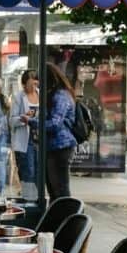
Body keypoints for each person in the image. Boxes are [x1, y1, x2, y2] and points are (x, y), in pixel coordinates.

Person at [30, 63, 76, 200]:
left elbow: (55, 124)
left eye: (40, 82)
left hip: (60, 147)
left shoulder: (60, 96)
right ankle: (58, 217)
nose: (38, 86)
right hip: (53, 147)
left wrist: (32, 122)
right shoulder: (55, 94)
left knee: (60, 189)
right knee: (54, 190)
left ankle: (67, 218)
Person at [11, 69, 41, 202]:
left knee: (39, 172)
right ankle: (29, 201)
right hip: (25, 140)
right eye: (31, 83)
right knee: (28, 172)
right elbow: (11, 120)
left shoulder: (42, 95)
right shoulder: (18, 97)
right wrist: (23, 119)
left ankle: (37, 200)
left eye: (36, 82)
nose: (34, 85)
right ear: (24, 84)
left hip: (40, 140)